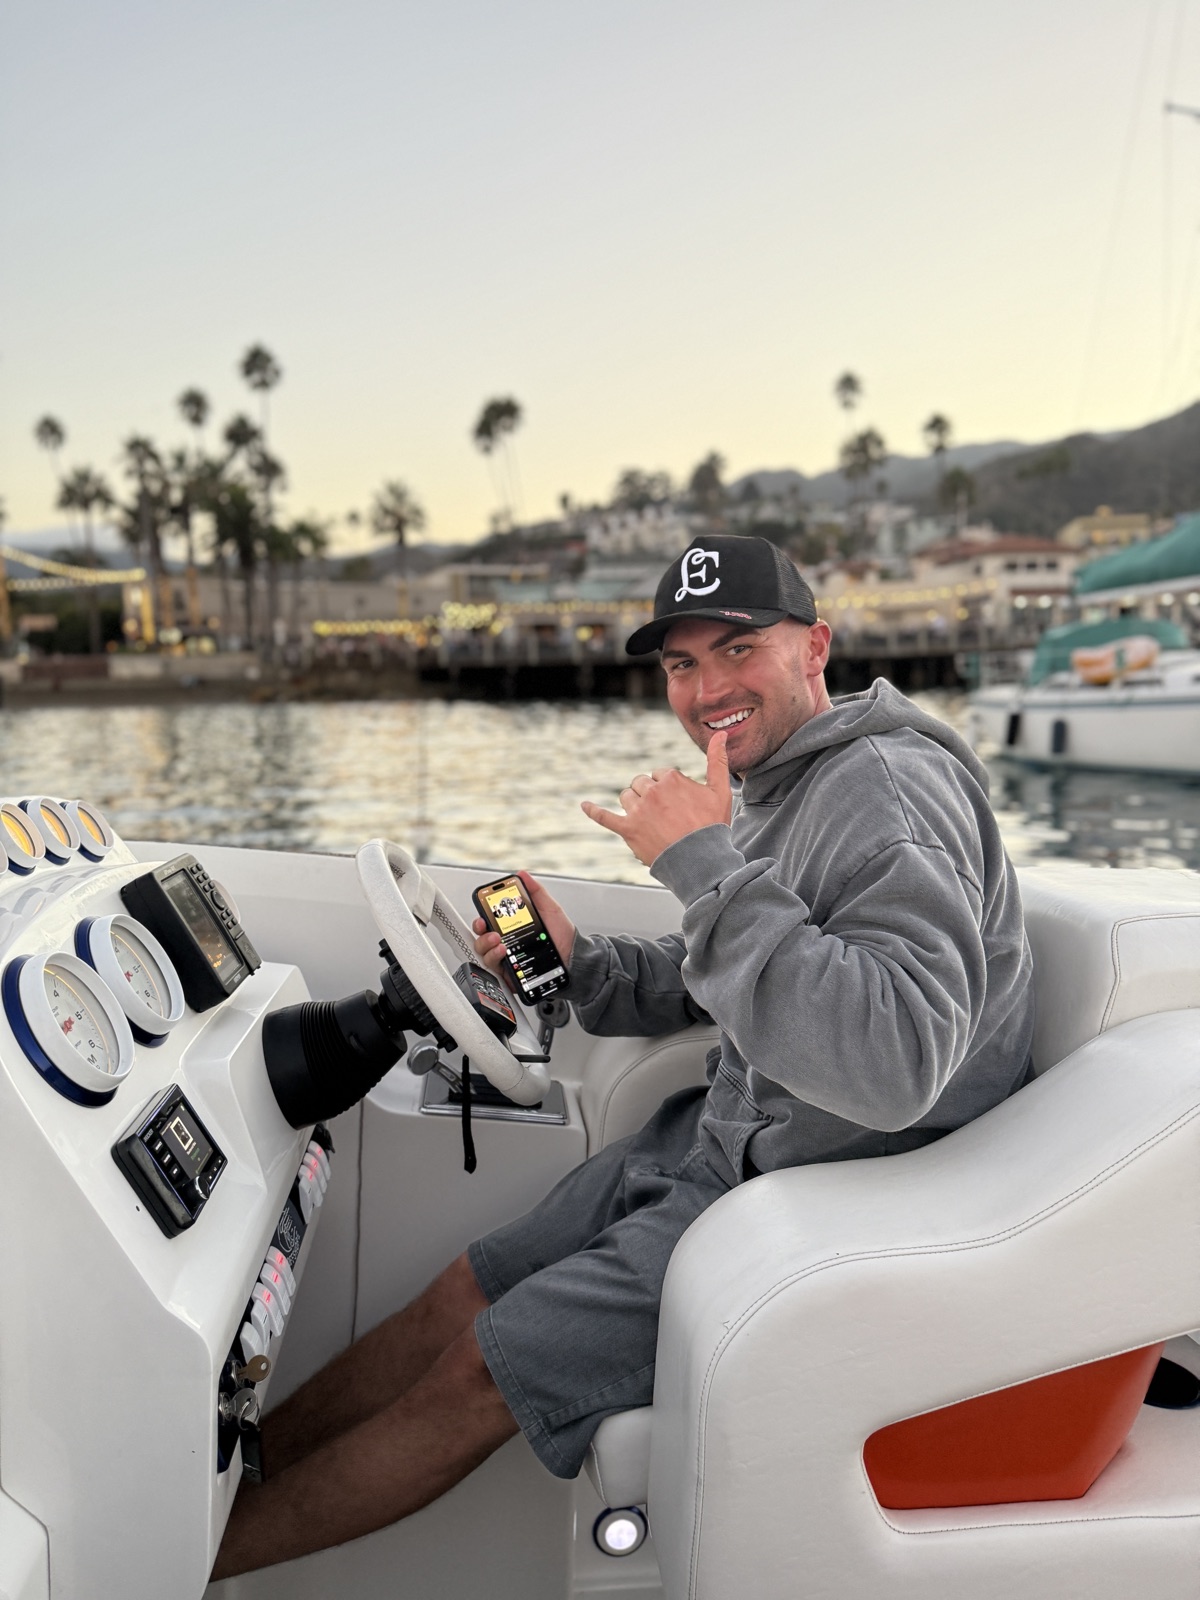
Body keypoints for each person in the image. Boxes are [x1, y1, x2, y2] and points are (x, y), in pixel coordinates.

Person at [212, 535, 1033, 1579]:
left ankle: (161, 1568)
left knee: (482, 1365)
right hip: (719, 1145)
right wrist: (581, 962)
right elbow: (734, 972)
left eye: (738, 650)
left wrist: (698, 860)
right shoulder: (783, 780)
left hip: (823, 1198)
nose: (707, 689)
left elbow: (894, 1062)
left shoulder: (884, 791)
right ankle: (222, 1482)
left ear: (815, 644)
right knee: (463, 1289)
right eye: (683, 666)